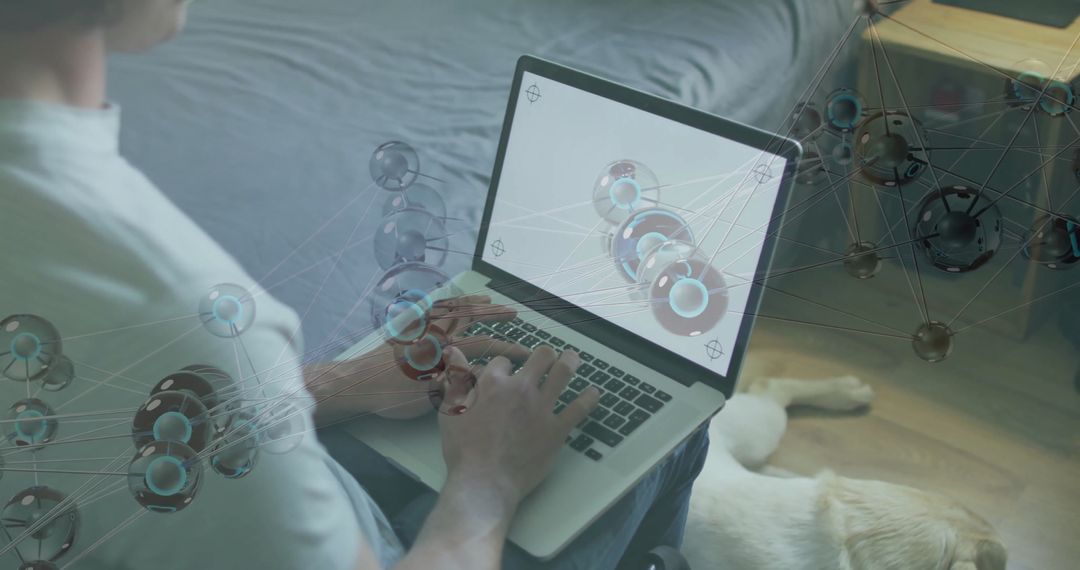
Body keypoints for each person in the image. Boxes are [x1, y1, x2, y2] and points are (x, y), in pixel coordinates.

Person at [0, 1, 709, 568]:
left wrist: (342, 384)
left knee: (433, 436)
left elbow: (110, 417)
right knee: (665, 435)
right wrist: (487, 484)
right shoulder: (176, 307)